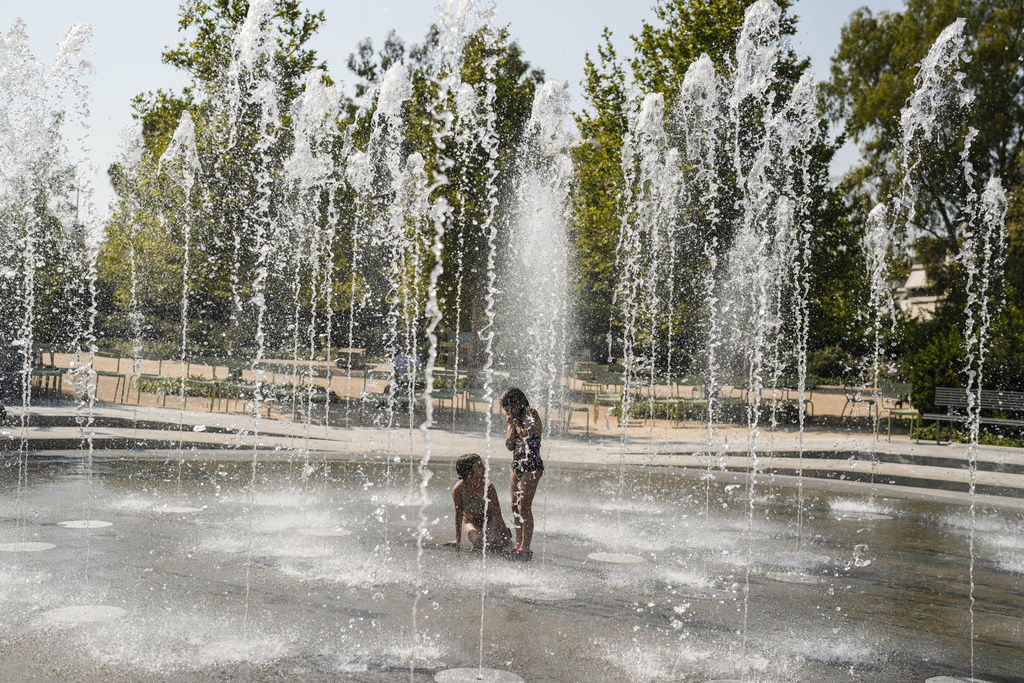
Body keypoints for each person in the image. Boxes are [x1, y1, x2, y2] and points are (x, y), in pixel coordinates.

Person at [501, 387, 543, 560]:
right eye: (505, 409)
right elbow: (509, 444)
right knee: (514, 505)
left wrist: (514, 423)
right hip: (517, 463)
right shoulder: (513, 419)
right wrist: (510, 424)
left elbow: (526, 435)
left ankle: (526, 547)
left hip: (532, 464)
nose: (507, 412)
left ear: (517, 403)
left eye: (508, 408)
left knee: (524, 506)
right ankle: (518, 544)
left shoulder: (531, 414)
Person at [440, 453, 512, 551]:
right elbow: (459, 513)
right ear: (467, 472)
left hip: (489, 519)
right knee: (479, 541)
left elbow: (498, 514)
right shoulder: (459, 489)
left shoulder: (488, 487)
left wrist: (507, 540)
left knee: (494, 541)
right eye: (479, 466)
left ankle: (503, 533)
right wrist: (457, 539)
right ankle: (491, 533)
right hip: (471, 521)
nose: (484, 468)